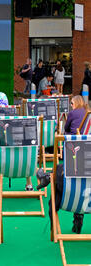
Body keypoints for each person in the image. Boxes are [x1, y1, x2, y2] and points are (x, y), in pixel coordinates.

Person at [37, 95, 89, 233]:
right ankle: (79, 215)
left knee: (61, 175)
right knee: (79, 179)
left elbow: (66, 127)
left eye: (72, 103)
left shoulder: (72, 113)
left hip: (70, 162)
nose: (71, 105)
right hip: (86, 198)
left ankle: (47, 177)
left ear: (75, 103)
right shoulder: (86, 113)